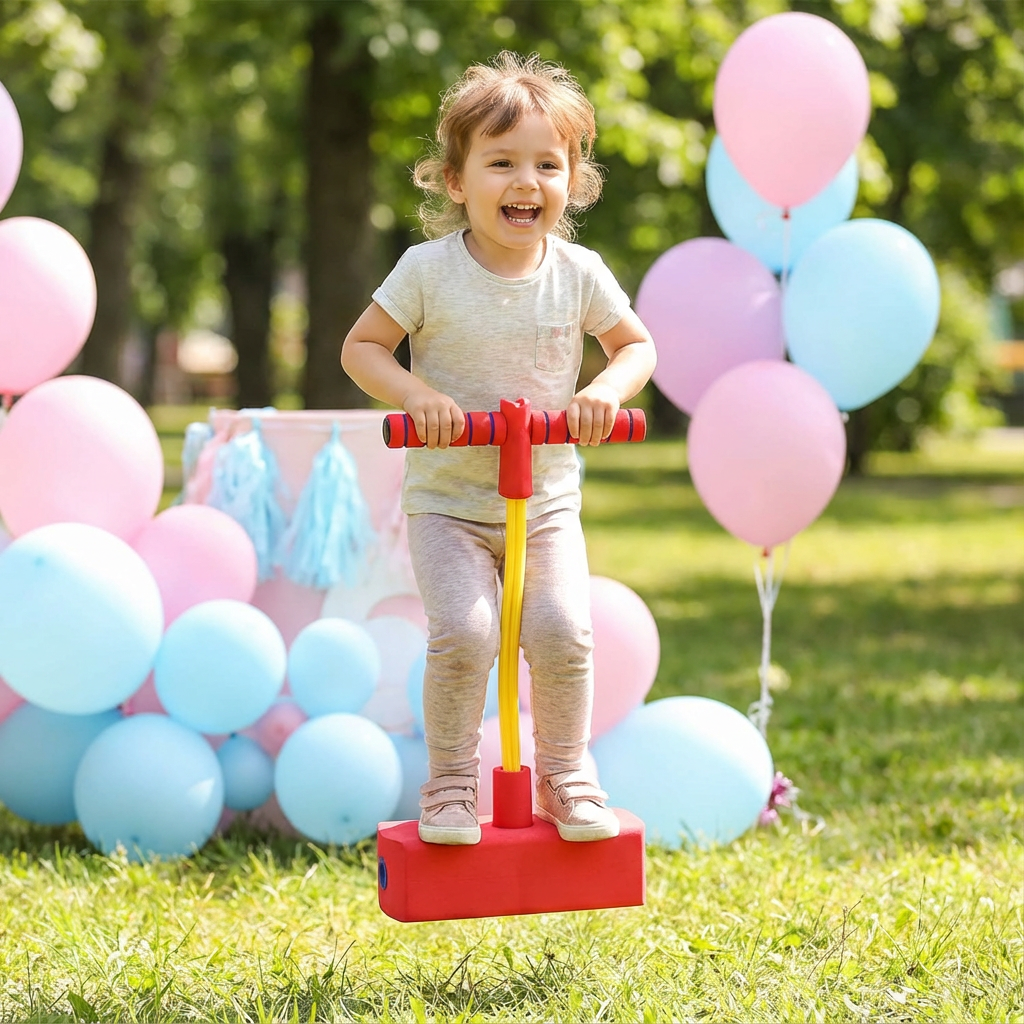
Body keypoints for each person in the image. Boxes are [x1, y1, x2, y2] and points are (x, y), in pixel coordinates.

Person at [341, 51, 656, 846]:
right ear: (456, 181)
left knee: (560, 628)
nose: (527, 181)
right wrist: (417, 394)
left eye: (549, 165)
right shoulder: (427, 272)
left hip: (545, 500)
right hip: (450, 503)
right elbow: (363, 348)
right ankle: (449, 782)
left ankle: (566, 774)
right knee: (467, 632)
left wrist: (604, 393)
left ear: (573, 182)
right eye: (503, 162)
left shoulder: (579, 273)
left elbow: (636, 347)